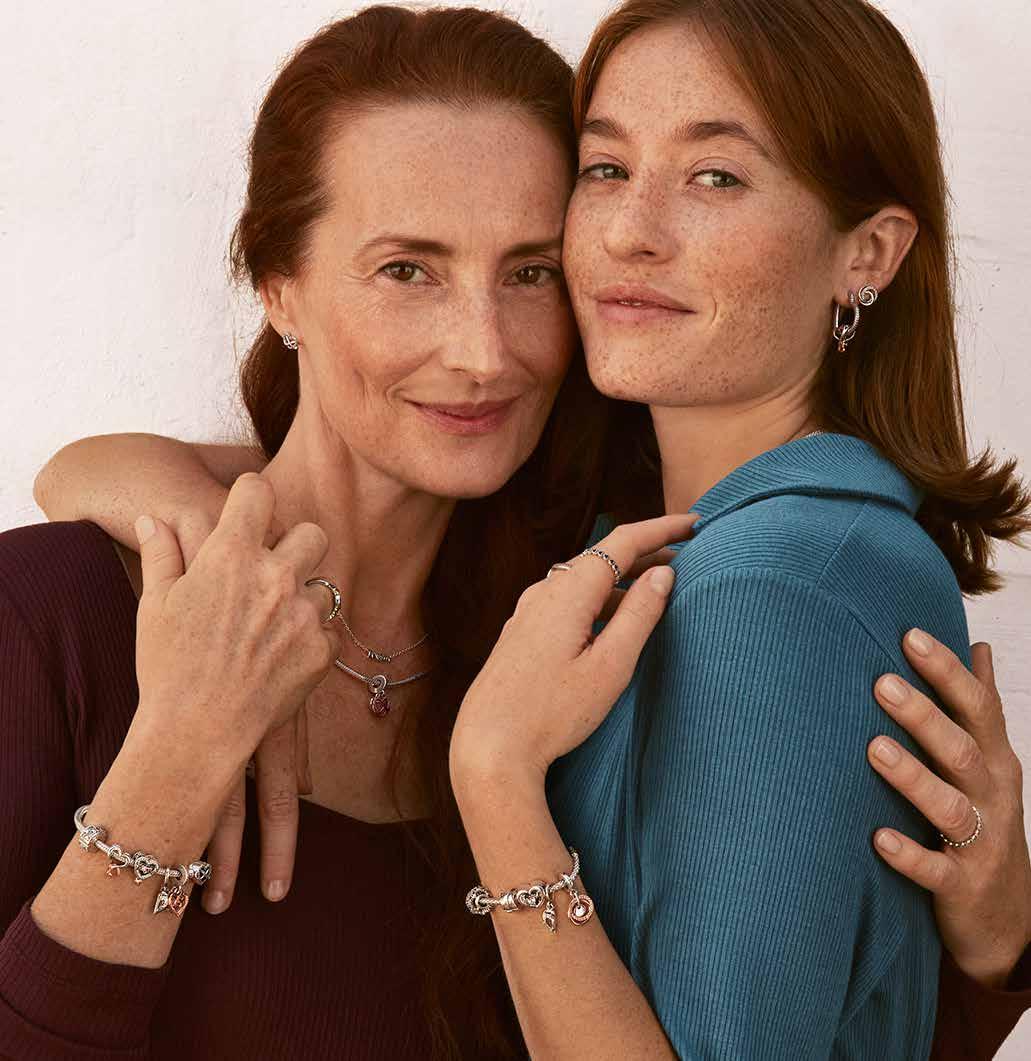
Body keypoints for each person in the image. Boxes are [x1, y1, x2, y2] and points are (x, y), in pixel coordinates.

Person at [5, 3, 1031, 1060]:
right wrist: (177, 750)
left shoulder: (575, 622)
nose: (483, 351)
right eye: (406, 270)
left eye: (530, 271)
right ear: (278, 285)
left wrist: (992, 947)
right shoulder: (51, 620)